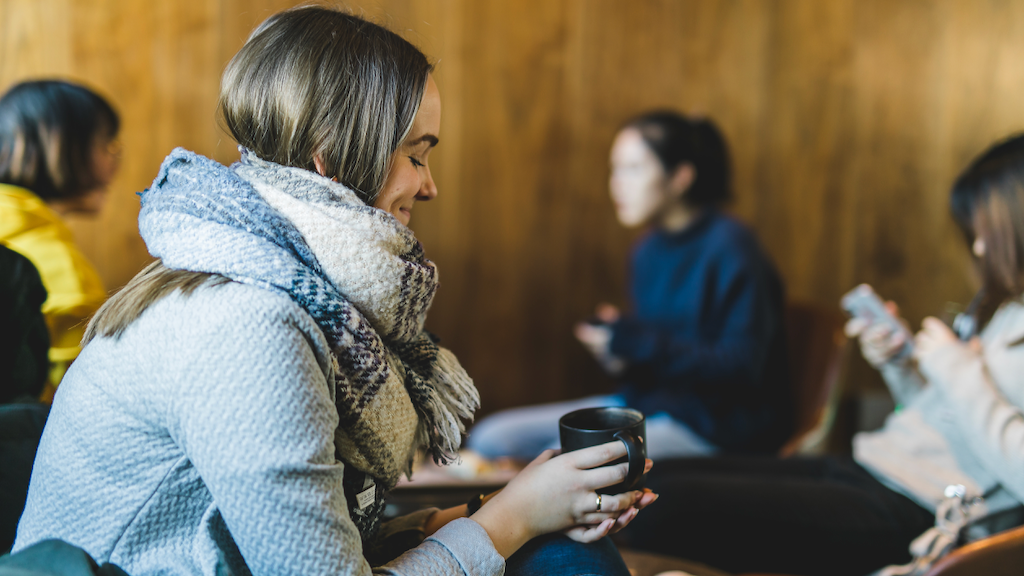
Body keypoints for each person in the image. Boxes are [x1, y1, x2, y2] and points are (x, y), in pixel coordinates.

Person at [12, 7, 656, 576]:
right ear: (330, 154)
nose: (429, 187)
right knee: (569, 561)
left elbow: (317, 543)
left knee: (564, 550)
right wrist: (509, 520)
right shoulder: (249, 323)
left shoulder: (274, 282)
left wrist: (507, 506)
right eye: (416, 154)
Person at [617, 134, 1024, 576]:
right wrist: (901, 364)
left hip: (918, 504)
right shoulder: (1005, 309)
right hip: (871, 464)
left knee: (653, 507)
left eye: (986, 230)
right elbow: (950, 416)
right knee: (645, 479)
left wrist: (957, 369)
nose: (980, 247)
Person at [468, 111, 791, 460]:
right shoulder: (646, 250)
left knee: (570, 460)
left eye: (633, 169)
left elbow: (741, 366)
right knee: (492, 439)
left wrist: (639, 343)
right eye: (614, 169)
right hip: (646, 404)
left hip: (711, 424)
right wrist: (619, 350)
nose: (616, 183)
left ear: (680, 177)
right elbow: (660, 351)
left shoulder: (731, 246)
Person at [0, 80, 121, 392]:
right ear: (61, 147)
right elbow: (77, 399)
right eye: (106, 145)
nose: (114, 163)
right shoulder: (65, 273)